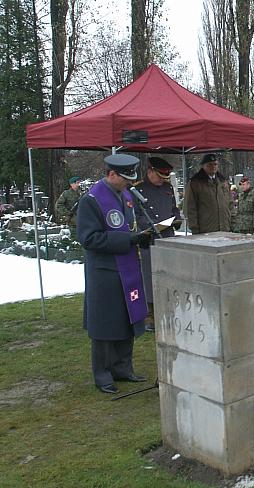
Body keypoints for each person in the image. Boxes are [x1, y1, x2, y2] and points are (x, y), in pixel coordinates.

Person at [77, 154, 150, 395]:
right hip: (105, 273)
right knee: (105, 325)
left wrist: (144, 233)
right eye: (125, 178)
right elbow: (89, 239)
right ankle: (103, 374)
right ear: (111, 174)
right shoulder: (91, 201)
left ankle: (123, 368)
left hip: (127, 268)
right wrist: (128, 239)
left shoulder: (126, 195)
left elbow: (132, 225)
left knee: (126, 320)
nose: (129, 183)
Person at [133, 156, 181, 332]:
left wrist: (176, 219)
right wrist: (151, 225)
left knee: (168, 275)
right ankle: (150, 314)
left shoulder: (167, 188)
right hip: (149, 240)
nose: (162, 180)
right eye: (159, 176)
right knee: (149, 276)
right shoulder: (137, 190)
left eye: (165, 178)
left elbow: (173, 209)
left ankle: (168, 307)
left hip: (167, 238)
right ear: (150, 171)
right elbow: (135, 216)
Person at [184, 153, 231, 234]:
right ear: (203, 166)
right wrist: (194, 228)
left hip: (224, 228)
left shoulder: (223, 182)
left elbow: (230, 204)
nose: (213, 166)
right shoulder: (195, 183)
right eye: (209, 164)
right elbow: (190, 208)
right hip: (205, 230)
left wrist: (232, 223)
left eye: (215, 164)